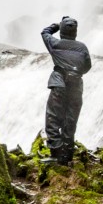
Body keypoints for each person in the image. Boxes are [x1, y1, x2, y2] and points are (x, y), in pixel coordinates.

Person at [41, 16, 92, 164]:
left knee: (53, 118)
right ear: (75, 32)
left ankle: (55, 154)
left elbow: (45, 32)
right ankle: (67, 156)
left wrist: (57, 25)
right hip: (76, 86)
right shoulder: (82, 47)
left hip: (59, 84)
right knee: (71, 120)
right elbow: (87, 66)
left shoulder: (55, 43)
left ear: (62, 31)